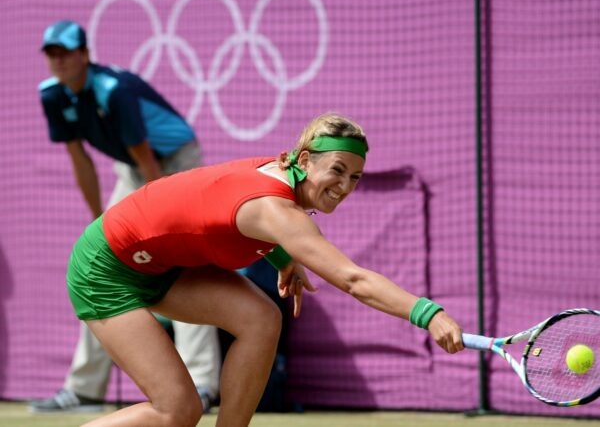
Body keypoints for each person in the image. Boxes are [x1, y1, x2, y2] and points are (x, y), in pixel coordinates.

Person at [63, 112, 465, 427]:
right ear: (306, 160)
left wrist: (282, 257)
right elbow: (353, 279)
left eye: (355, 177)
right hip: (106, 268)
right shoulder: (278, 210)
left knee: (260, 319)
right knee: (177, 412)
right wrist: (427, 314)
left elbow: (219, 209)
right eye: (337, 170)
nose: (344, 186)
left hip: (159, 262)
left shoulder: (280, 173)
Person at [31, 20, 220, 413]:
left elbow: (147, 159)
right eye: (52, 54)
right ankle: (84, 389)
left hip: (172, 163)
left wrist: (158, 225)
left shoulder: (113, 91)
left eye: (66, 52)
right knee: (99, 264)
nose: (59, 61)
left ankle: (202, 381)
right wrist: (98, 222)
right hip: (131, 168)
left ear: (85, 54)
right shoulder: (52, 95)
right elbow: (80, 161)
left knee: (183, 265)